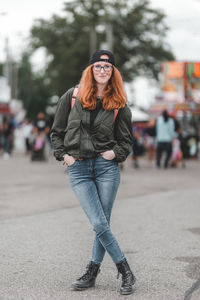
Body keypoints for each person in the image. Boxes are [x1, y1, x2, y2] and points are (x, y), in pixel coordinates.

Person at [51, 50, 136, 295]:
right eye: (98, 66)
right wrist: (64, 155)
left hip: (106, 168)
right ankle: (125, 269)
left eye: (107, 67)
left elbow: (126, 141)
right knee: (99, 222)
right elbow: (57, 132)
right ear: (90, 69)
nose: (102, 70)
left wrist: (115, 154)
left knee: (102, 223)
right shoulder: (73, 96)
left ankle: (92, 272)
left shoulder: (119, 102)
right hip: (78, 168)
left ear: (113, 72)